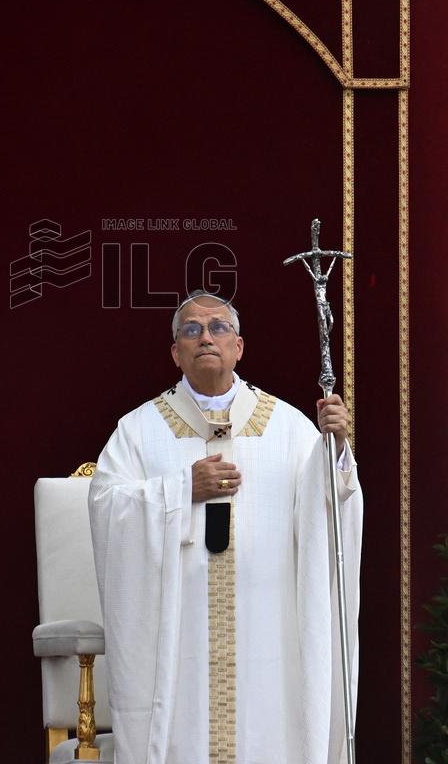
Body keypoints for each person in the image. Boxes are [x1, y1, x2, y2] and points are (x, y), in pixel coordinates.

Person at [88, 290, 362, 764]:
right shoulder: (138, 430)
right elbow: (108, 507)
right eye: (191, 330)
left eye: (218, 328)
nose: (206, 337)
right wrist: (180, 490)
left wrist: (335, 449)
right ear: (176, 353)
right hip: (178, 632)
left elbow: (329, 510)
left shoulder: (289, 427)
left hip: (269, 627)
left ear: (239, 346)